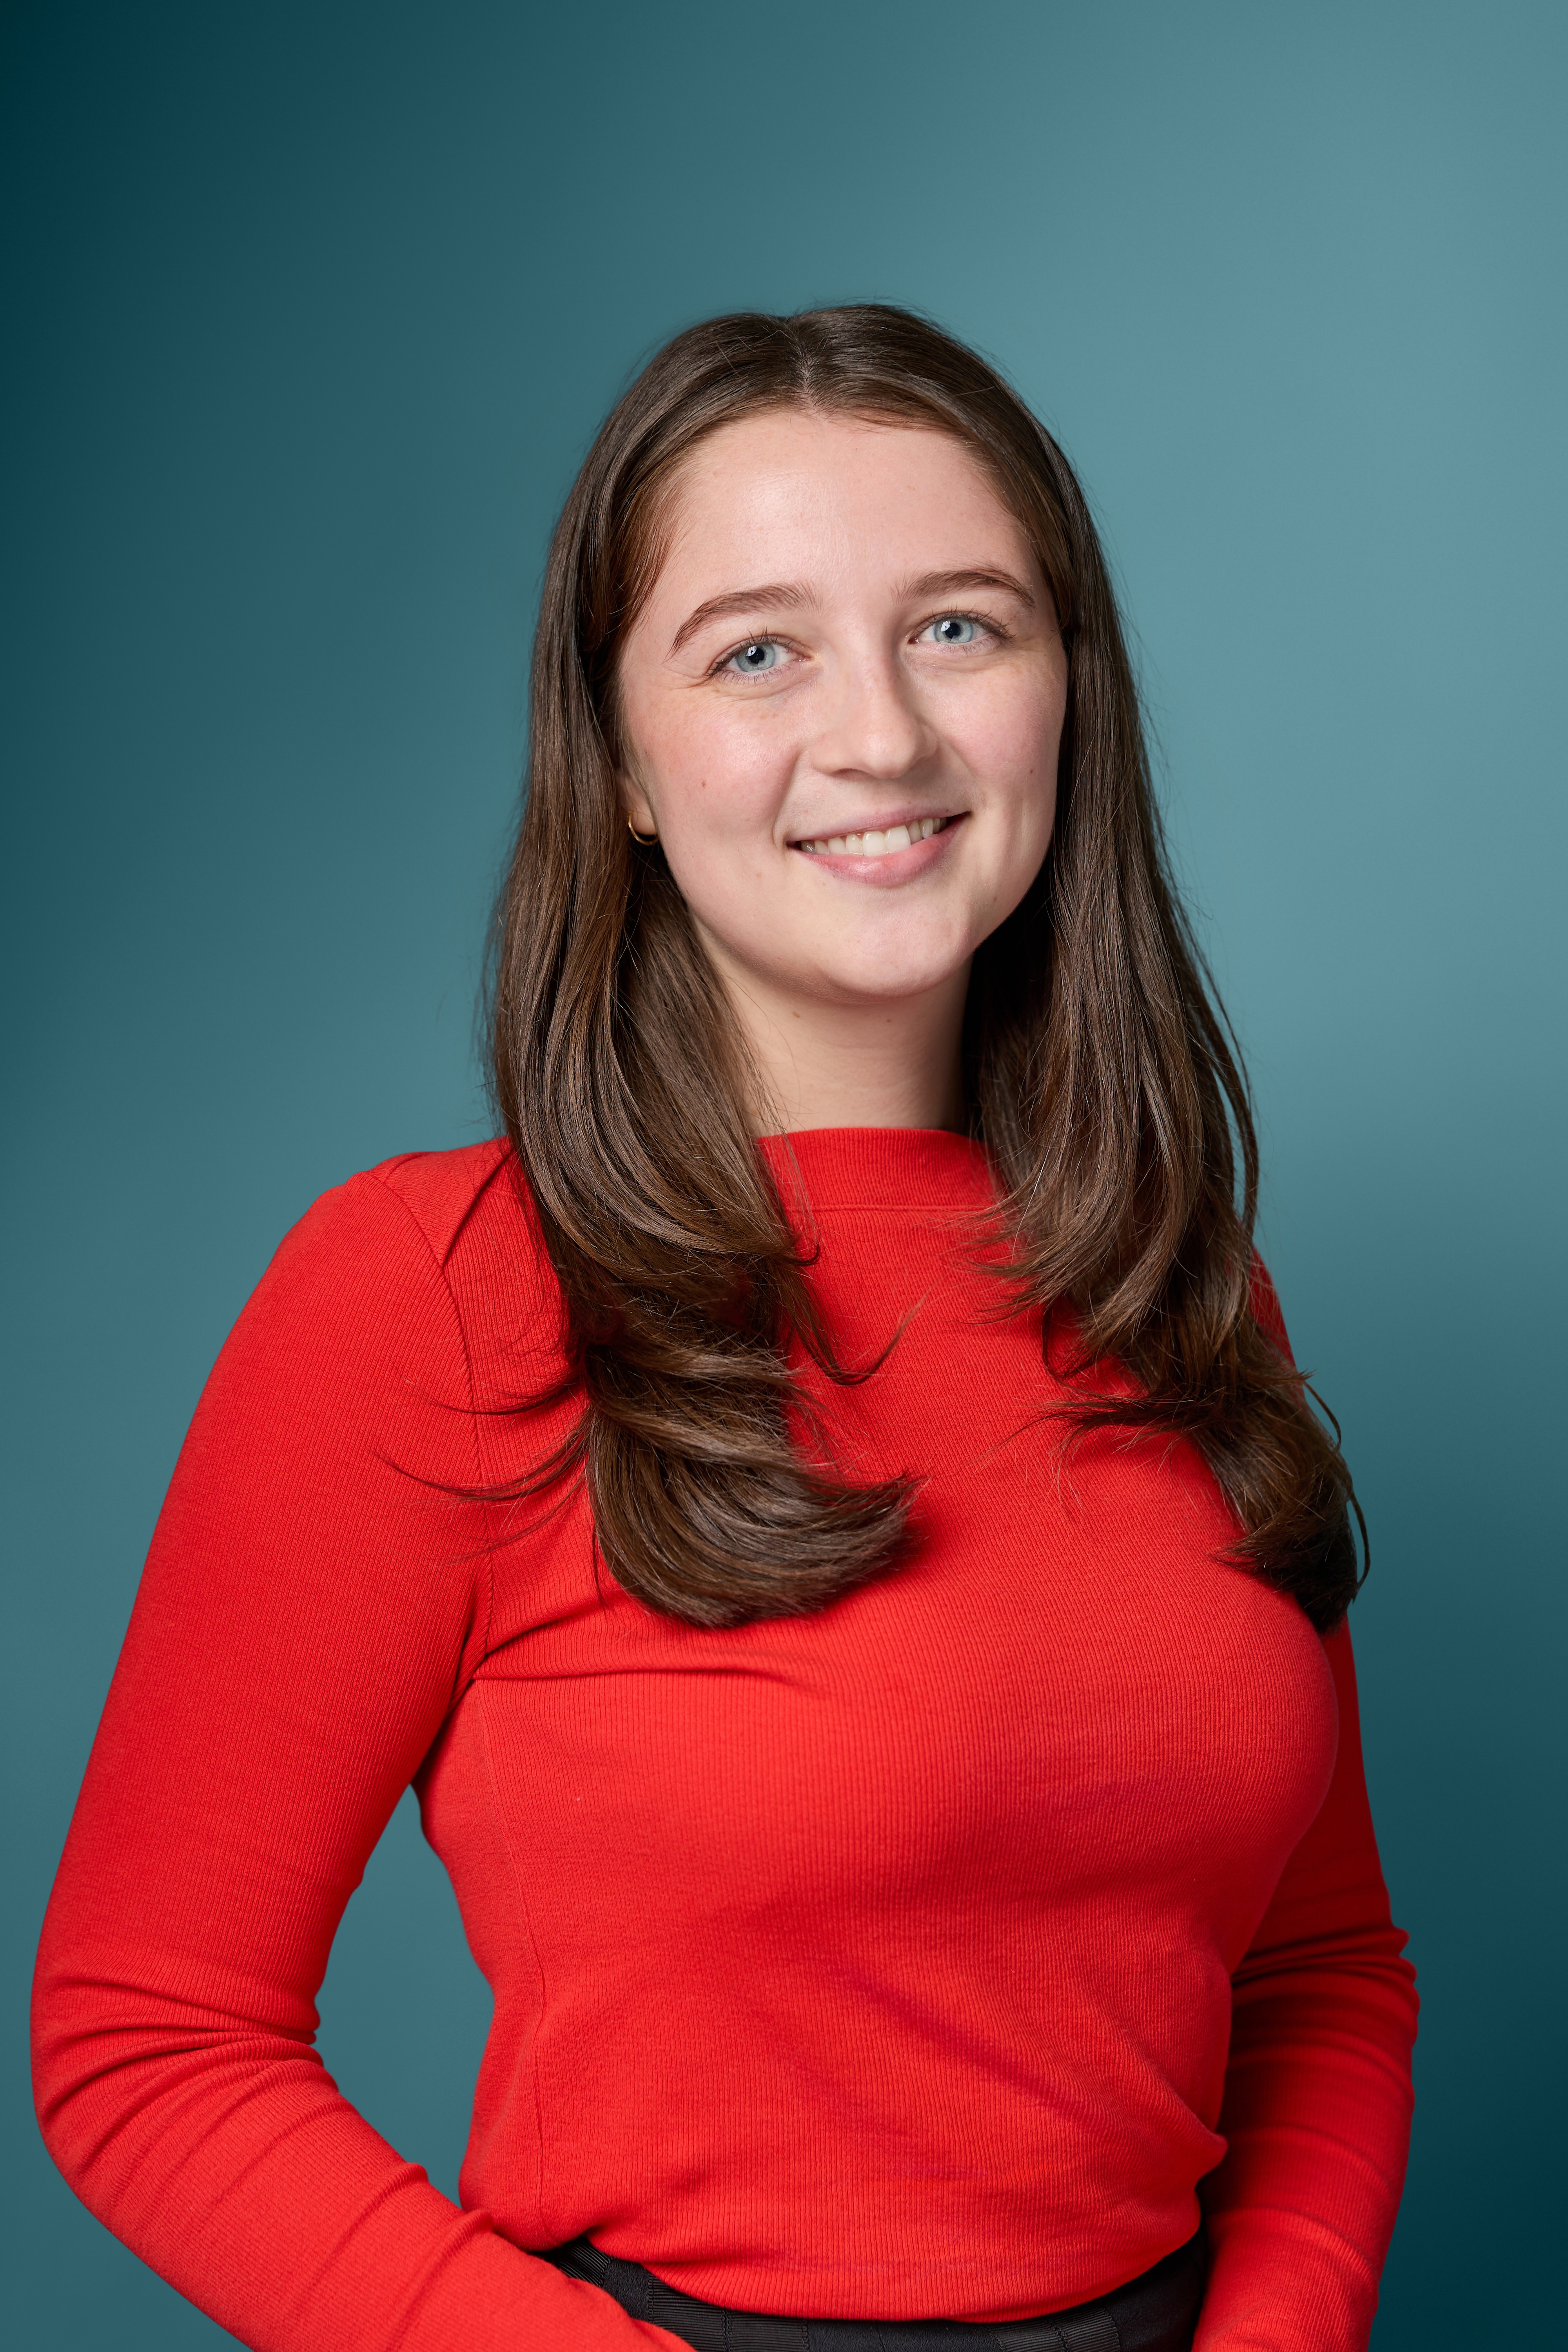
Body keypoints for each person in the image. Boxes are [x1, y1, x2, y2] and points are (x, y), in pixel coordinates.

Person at [31, 305, 1416, 2352]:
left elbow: (1323, 1972)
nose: (883, 736)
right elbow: (146, 2038)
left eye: (959, 627)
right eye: (759, 653)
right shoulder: (432, 1291)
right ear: (622, 766)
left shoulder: (1178, 1279)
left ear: (1071, 695)